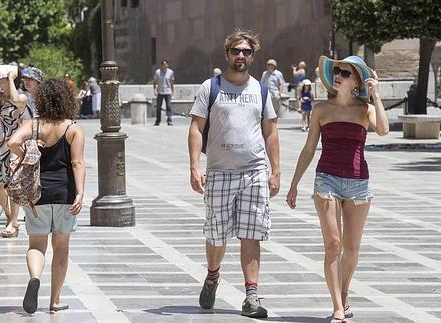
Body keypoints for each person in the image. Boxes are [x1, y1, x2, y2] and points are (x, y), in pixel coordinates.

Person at [286, 55, 388, 323]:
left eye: (345, 72)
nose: (339, 75)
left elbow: (384, 130)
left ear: (356, 80)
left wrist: (376, 95)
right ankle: (337, 308)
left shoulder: (364, 110)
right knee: (333, 244)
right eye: (337, 71)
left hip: (358, 183)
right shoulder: (321, 109)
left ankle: (344, 294)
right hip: (326, 179)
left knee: (352, 249)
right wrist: (294, 184)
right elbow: (309, 148)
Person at [188, 30, 280, 319]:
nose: (241, 56)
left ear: (253, 56)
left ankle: (251, 295)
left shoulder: (261, 89)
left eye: (247, 52)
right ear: (227, 54)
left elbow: (271, 131)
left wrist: (276, 170)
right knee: (216, 235)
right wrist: (193, 167)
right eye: (236, 51)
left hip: (254, 171)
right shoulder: (210, 87)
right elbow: (195, 127)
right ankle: (213, 275)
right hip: (219, 172)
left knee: (251, 233)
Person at [7, 78, 85, 314]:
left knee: (36, 245)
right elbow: (78, 163)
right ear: (66, 100)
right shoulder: (73, 128)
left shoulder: (34, 125)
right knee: (61, 249)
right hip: (65, 194)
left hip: (36, 194)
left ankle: (34, 277)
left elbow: (12, 142)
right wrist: (80, 192)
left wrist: (28, 154)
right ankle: (55, 300)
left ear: (41, 100)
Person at [0, 65, 28, 238]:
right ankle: (9, 215)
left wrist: (12, 79)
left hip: (13, 144)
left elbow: (16, 101)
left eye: (2, 79)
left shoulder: (21, 97)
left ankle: (14, 222)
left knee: (13, 185)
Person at [153, 60, 175, 126]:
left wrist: (172, 92)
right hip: (160, 91)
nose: (165, 66)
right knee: (158, 107)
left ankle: (169, 120)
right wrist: (155, 90)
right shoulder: (157, 72)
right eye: (163, 65)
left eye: (166, 65)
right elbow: (154, 81)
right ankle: (158, 121)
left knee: (168, 106)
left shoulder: (170, 72)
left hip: (168, 92)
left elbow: (172, 83)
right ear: (161, 65)